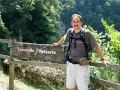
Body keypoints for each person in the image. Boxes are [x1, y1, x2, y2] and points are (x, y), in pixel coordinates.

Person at [53, 14, 107, 90]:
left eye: (77, 21)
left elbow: (96, 47)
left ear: (81, 22)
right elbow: (64, 38)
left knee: (83, 88)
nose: (75, 23)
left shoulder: (87, 33)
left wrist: (102, 59)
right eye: (74, 21)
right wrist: (58, 44)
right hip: (70, 64)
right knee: (69, 87)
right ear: (71, 23)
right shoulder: (70, 31)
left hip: (82, 66)